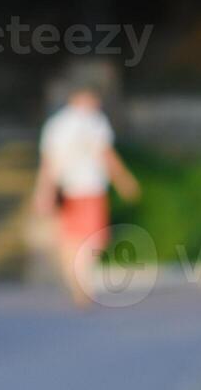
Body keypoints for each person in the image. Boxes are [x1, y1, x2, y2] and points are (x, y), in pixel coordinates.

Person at [31, 86, 141, 307]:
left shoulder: (55, 125)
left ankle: (75, 279)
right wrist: (124, 181)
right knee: (93, 239)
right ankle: (83, 280)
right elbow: (106, 155)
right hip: (89, 188)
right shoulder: (94, 121)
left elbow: (48, 164)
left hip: (65, 189)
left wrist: (43, 192)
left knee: (71, 239)